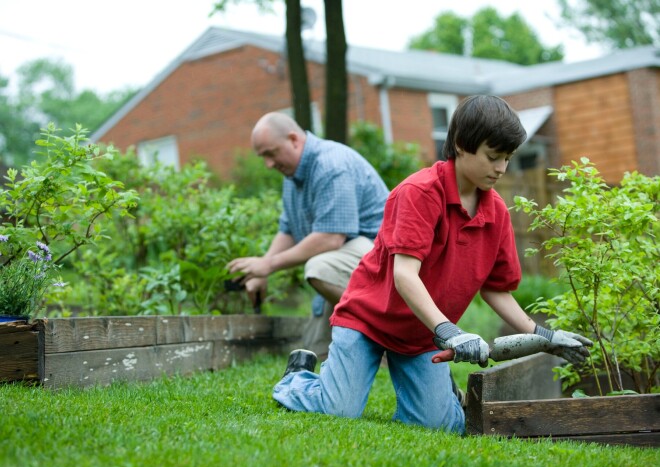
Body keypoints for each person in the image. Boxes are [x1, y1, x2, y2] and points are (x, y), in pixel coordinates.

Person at [272, 95, 593, 434]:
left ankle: (440, 396)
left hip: (423, 334)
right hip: (368, 321)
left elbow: (496, 290)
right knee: (338, 410)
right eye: (493, 156)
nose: (501, 168)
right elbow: (405, 275)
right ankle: (298, 378)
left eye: (507, 158)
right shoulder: (419, 193)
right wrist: (450, 332)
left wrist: (546, 336)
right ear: (460, 145)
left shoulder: (496, 212)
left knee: (438, 426)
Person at [227, 112, 390, 358]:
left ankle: (388, 335)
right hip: (348, 265)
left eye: (270, 153)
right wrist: (260, 270)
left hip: (385, 264)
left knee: (319, 268)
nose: (268, 164)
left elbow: (330, 238)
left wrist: (269, 265)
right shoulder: (292, 176)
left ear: (294, 139)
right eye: (263, 157)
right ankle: (364, 341)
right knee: (313, 352)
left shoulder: (330, 165)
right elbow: (288, 229)